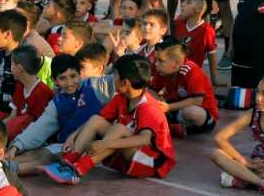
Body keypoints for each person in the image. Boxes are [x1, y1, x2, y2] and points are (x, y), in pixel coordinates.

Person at [43, 54, 175, 184]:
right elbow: (97, 119)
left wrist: (105, 144)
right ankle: (69, 162)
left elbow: (144, 139)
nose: (112, 78)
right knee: (96, 119)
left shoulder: (148, 107)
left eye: (115, 75)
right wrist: (73, 135)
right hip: (132, 152)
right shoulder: (121, 98)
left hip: (152, 161)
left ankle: (79, 168)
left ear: (125, 83)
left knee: (119, 129)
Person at [151, 40, 220, 139]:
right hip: (174, 109)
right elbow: (151, 90)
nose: (156, 64)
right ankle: (173, 126)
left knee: (192, 112)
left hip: (202, 114)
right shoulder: (162, 70)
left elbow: (197, 101)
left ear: (176, 63)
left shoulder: (192, 70)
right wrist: (158, 101)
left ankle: (170, 125)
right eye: (155, 60)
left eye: (160, 60)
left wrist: (168, 107)